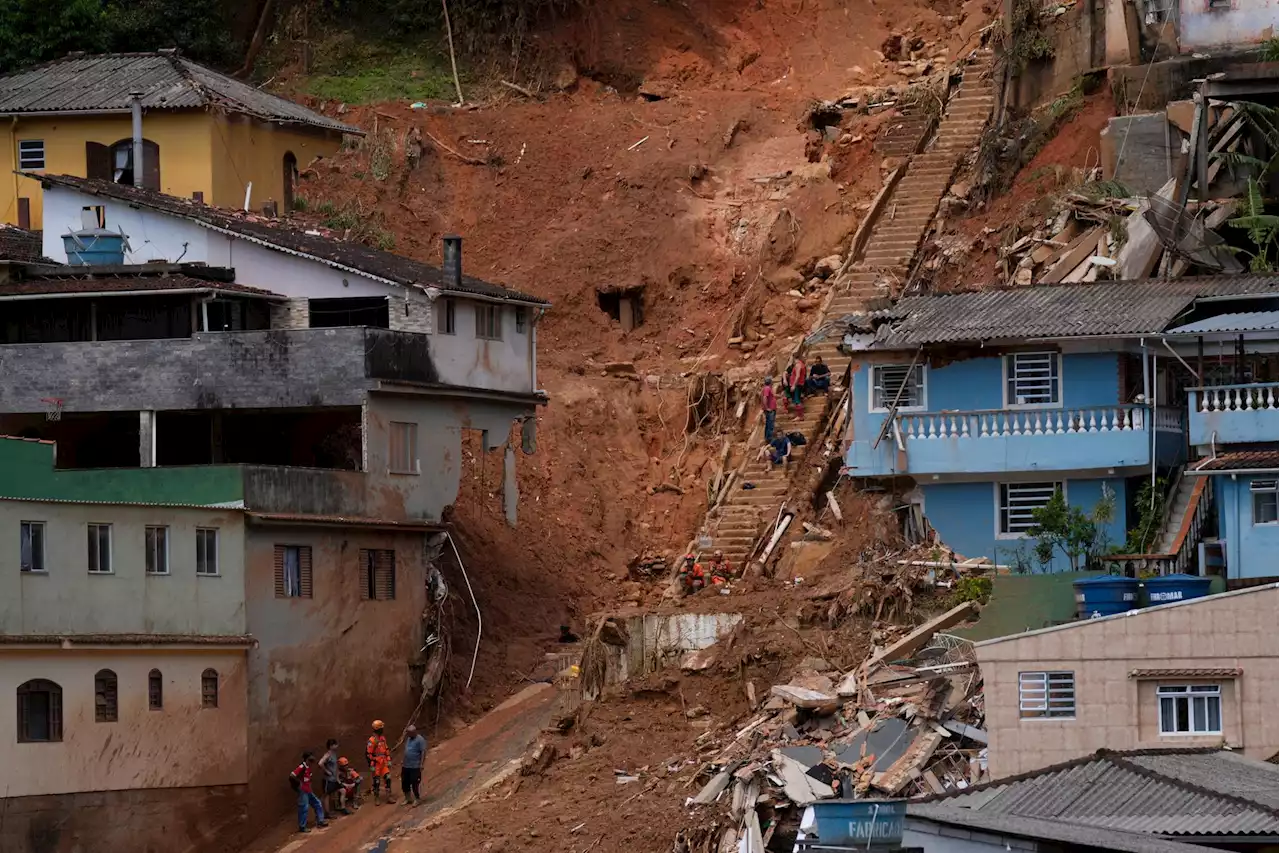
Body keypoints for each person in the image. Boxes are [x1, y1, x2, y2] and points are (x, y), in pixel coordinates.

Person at [290, 751, 328, 833]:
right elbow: (292, 775)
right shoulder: (302, 767)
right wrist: (299, 785)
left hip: (308, 790)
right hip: (303, 791)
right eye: (311, 757)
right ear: (307, 758)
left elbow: (308, 780)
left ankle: (320, 821)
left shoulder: (308, 767)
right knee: (304, 808)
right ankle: (302, 827)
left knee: (317, 803)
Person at [366, 720, 397, 805]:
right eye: (381, 728)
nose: (383, 729)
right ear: (377, 729)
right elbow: (368, 754)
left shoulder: (382, 738)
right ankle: (376, 797)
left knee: (388, 778)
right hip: (376, 764)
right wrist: (371, 764)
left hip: (383, 763)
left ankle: (389, 796)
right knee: (376, 781)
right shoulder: (372, 741)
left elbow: (386, 749)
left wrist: (389, 759)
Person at [402, 724, 427, 805]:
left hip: (415, 765)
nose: (408, 735)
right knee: (405, 782)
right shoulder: (409, 738)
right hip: (406, 765)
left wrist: (421, 764)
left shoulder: (420, 740)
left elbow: (423, 752)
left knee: (414, 782)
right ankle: (408, 798)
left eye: (409, 733)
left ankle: (417, 798)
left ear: (414, 732)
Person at [321, 738, 347, 816]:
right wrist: (327, 771)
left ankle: (343, 808)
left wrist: (338, 779)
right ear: (331, 746)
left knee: (343, 791)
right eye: (335, 744)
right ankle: (327, 813)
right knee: (327, 796)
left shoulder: (334, 754)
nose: (337, 746)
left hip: (334, 779)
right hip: (328, 780)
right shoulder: (328, 754)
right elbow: (320, 763)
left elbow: (335, 768)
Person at [761, 377, 778, 442]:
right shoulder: (767, 388)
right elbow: (765, 398)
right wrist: (767, 408)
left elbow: (772, 396)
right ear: (770, 382)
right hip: (770, 410)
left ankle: (767, 438)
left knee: (769, 424)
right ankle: (770, 438)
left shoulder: (767, 388)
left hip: (771, 409)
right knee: (770, 424)